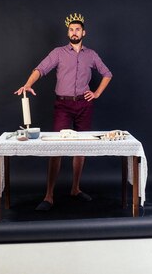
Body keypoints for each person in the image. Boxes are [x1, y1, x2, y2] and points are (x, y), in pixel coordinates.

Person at [14, 13, 112, 211]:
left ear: (83, 32)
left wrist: (97, 93)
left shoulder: (91, 55)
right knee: (56, 148)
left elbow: (107, 74)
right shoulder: (58, 52)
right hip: (63, 105)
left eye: (77, 29)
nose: (74, 32)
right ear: (68, 32)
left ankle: (75, 189)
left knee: (81, 148)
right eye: (71, 30)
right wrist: (27, 84)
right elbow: (40, 69)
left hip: (84, 105)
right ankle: (49, 195)